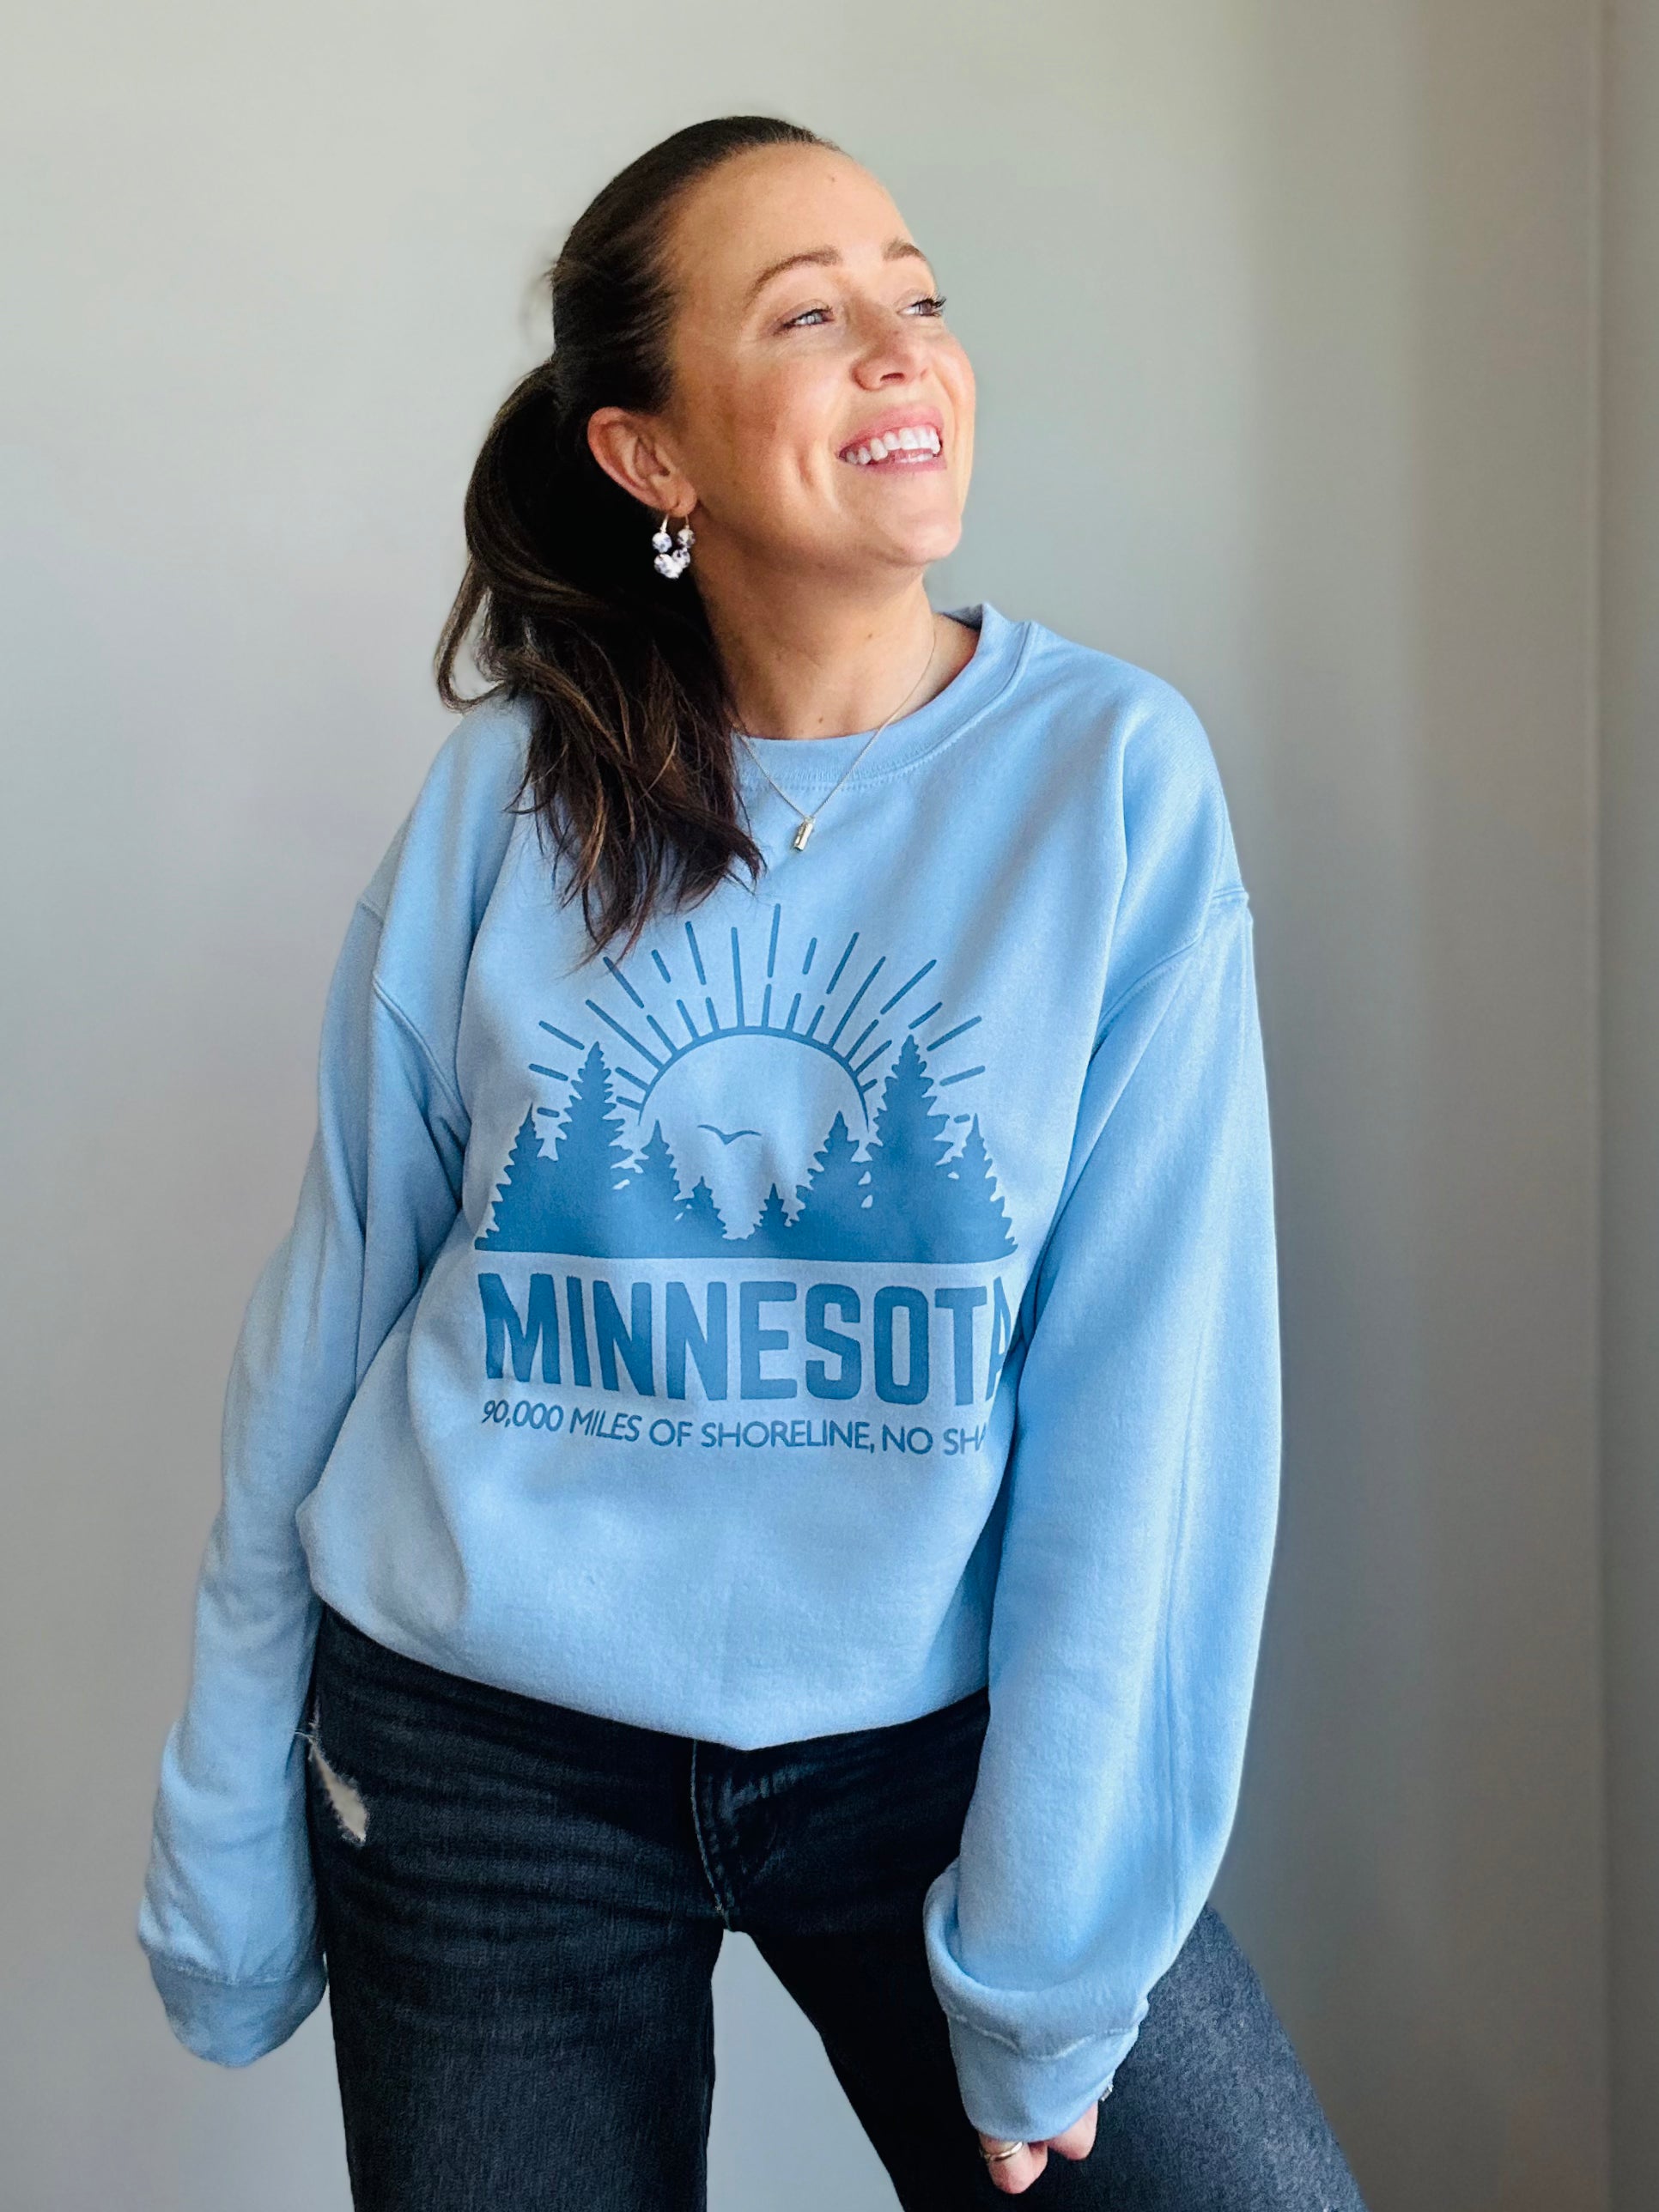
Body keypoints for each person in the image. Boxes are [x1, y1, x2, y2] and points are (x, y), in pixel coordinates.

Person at [137, 113, 1368, 2210]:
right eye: (808, 316)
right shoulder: (511, 798)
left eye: (919, 295)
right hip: (481, 1743)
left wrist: (1055, 1946)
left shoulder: (1108, 779)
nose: (903, 349)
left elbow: (1150, 1402)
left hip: (925, 1734)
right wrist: (224, 1825)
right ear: (653, 456)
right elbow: (332, 1304)